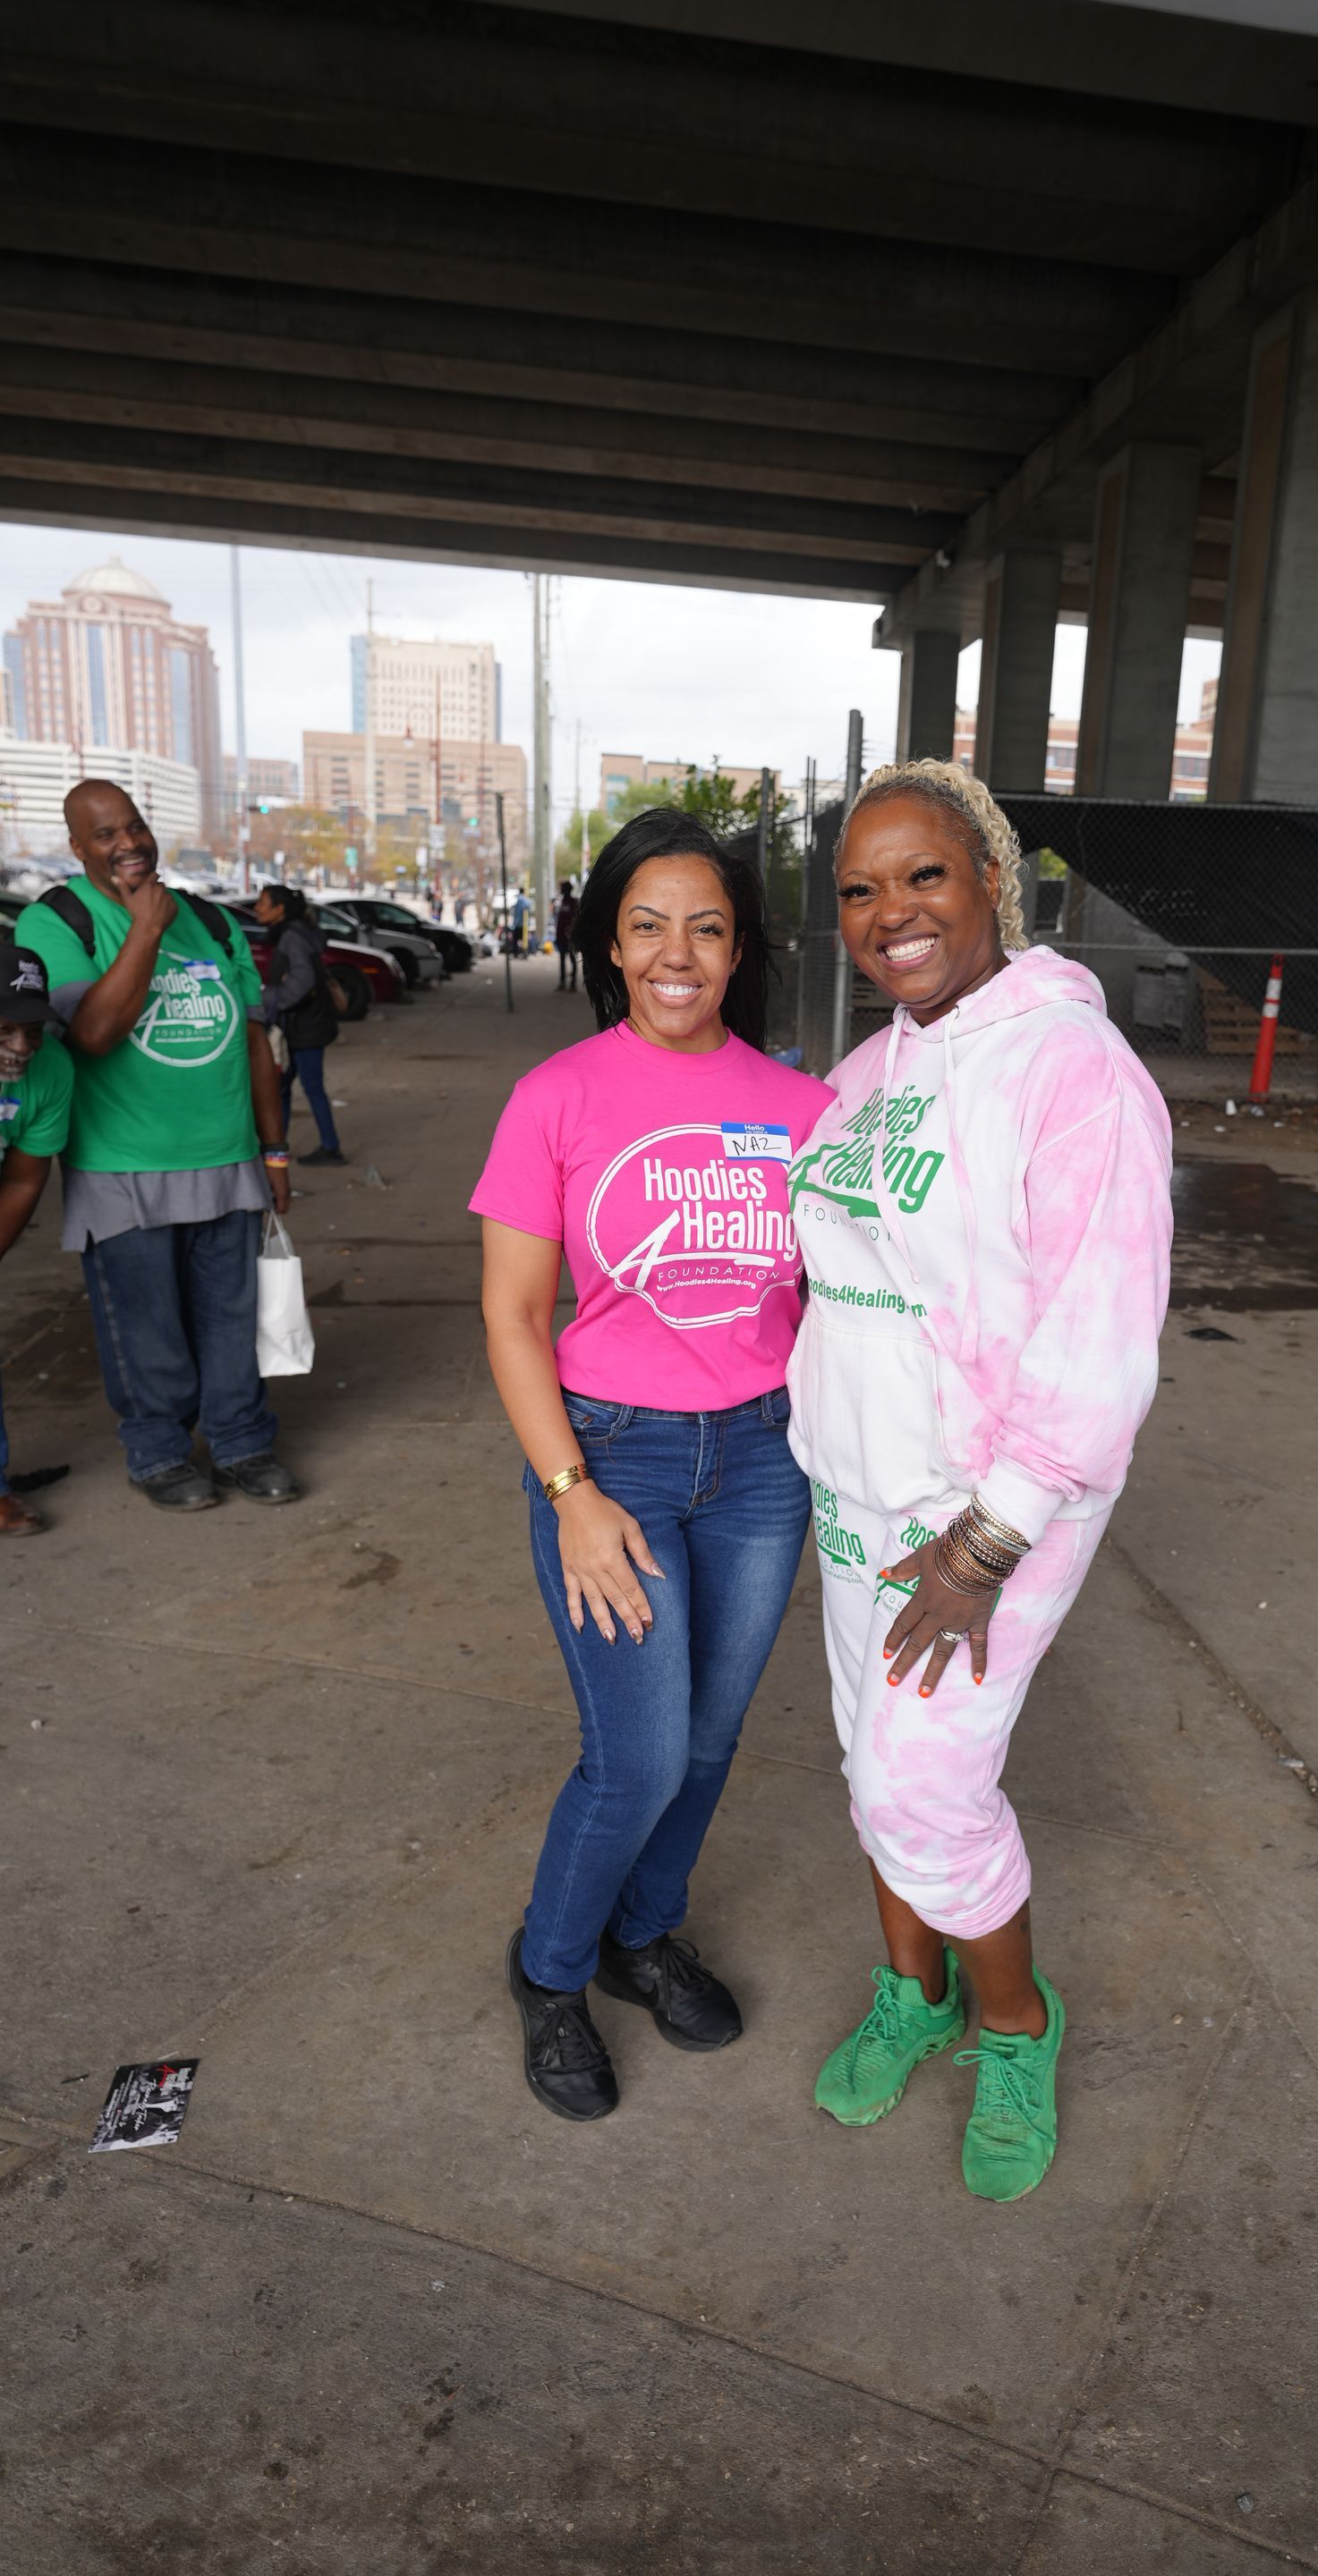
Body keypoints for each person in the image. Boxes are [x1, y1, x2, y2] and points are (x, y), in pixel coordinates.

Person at [787, 759, 1172, 2203]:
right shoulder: (868, 1072)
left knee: (924, 1786)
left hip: (982, 1513)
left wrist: (982, 1544)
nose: (892, 910)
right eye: (861, 890)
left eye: (925, 875)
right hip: (853, 1487)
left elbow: (1100, 1343)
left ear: (994, 882)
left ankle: (1013, 2022)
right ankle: (915, 1995)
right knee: (866, 1770)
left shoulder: (1075, 1076)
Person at [472, 809, 832, 2121]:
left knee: (712, 1739)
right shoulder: (555, 1097)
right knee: (636, 1753)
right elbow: (514, 1316)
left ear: (739, 950)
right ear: (610, 945)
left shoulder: (803, 1107)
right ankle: (553, 1971)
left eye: (708, 927)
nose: (678, 952)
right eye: (648, 925)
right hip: (609, 1454)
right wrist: (570, 1495)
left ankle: (643, 1934)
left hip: (759, 1462)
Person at [14, 781, 298, 1512]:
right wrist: (143, 930)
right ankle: (158, 1452)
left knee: (234, 1320)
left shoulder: (208, 919)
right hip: (122, 1166)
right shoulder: (59, 921)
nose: (128, 844)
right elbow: (93, 1034)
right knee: (147, 1329)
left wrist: (274, 1150)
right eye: (105, 835)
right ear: (79, 849)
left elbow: (253, 1043)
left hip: (227, 1156)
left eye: (134, 827)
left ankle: (241, 1441)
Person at [0, 940, 74, 1535]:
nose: (22, 1049)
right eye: (4, 1030)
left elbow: (26, 1178)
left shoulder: (51, 1070)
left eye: (33, 1030)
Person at [254, 884, 345, 1165]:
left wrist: (271, 998)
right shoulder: (296, 933)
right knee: (281, 1085)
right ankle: (275, 1147)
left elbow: (303, 980)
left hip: (305, 1025)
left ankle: (329, 1147)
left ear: (279, 909)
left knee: (309, 1086)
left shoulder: (292, 936)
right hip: (302, 1023)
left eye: (262, 902)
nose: (257, 908)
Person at [553, 878, 581, 992]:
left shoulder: (574, 902)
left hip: (570, 938)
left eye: (562, 888)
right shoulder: (562, 902)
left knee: (572, 959)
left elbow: (575, 920)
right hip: (561, 938)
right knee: (562, 960)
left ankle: (573, 983)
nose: (561, 890)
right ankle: (562, 982)